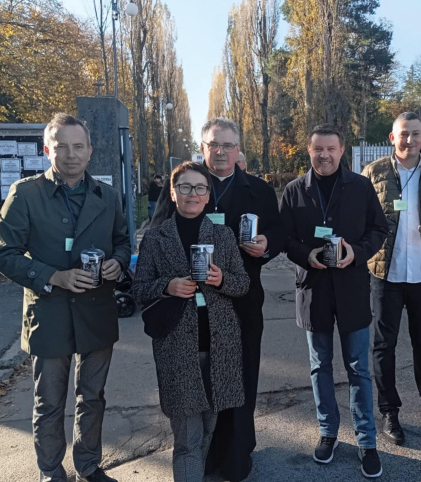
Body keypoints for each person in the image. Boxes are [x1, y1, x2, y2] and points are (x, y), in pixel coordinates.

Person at [0, 113, 130, 482]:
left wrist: (118, 262)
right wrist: (54, 276)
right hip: (49, 313)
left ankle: (88, 465)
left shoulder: (108, 196)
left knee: (92, 397)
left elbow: (122, 240)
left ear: (90, 150)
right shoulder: (26, 193)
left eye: (78, 146)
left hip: (96, 311)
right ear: (47, 149)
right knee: (49, 402)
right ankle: (51, 471)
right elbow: (2, 255)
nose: (71, 155)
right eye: (62, 147)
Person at [151, 117, 284, 481]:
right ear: (203, 147)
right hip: (189, 302)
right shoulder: (186, 183)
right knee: (199, 380)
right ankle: (201, 457)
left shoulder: (259, 189)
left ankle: (237, 453)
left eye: (228, 145)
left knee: (240, 378)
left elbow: (279, 230)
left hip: (241, 297)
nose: (221, 152)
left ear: (239, 149)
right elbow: (158, 230)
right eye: (214, 145)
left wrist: (267, 245)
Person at [279, 124, 388, 478]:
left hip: (353, 289)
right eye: (317, 149)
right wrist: (306, 254)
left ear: (342, 150)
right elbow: (285, 237)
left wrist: (356, 252)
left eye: (330, 149)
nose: (324, 155)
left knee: (359, 369)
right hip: (314, 291)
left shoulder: (360, 186)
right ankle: (328, 432)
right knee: (319, 367)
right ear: (308, 152)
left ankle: (367, 441)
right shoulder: (295, 191)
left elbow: (379, 230)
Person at [131, 161, 249, 481]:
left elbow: (242, 284)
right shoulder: (156, 238)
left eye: (199, 188)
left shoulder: (223, 235)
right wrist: (167, 286)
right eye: (185, 187)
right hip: (177, 349)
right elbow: (139, 289)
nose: (192, 194)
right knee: (187, 440)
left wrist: (221, 278)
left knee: (208, 429)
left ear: (208, 195)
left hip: (218, 347)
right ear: (173, 192)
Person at [361, 111, 421, 445]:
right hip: (384, 274)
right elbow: (361, 219)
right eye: (404, 134)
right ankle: (389, 411)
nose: (410, 140)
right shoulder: (373, 173)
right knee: (383, 346)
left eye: (416, 134)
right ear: (393, 138)